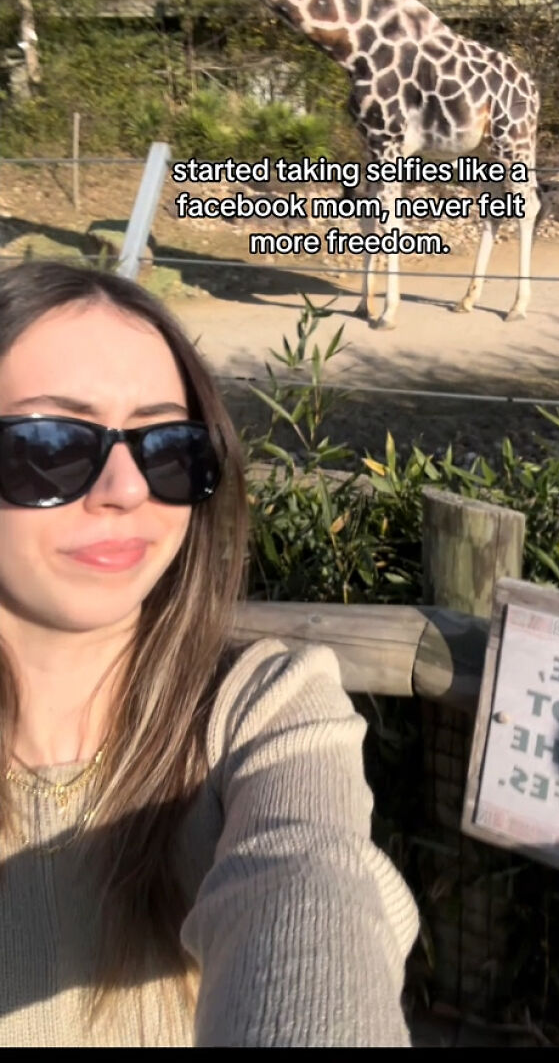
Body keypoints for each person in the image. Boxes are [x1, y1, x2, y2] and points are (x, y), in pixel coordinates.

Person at [0, 260, 419, 1047]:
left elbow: (306, 880)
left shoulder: (265, 712)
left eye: (167, 447)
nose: (127, 489)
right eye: (50, 445)